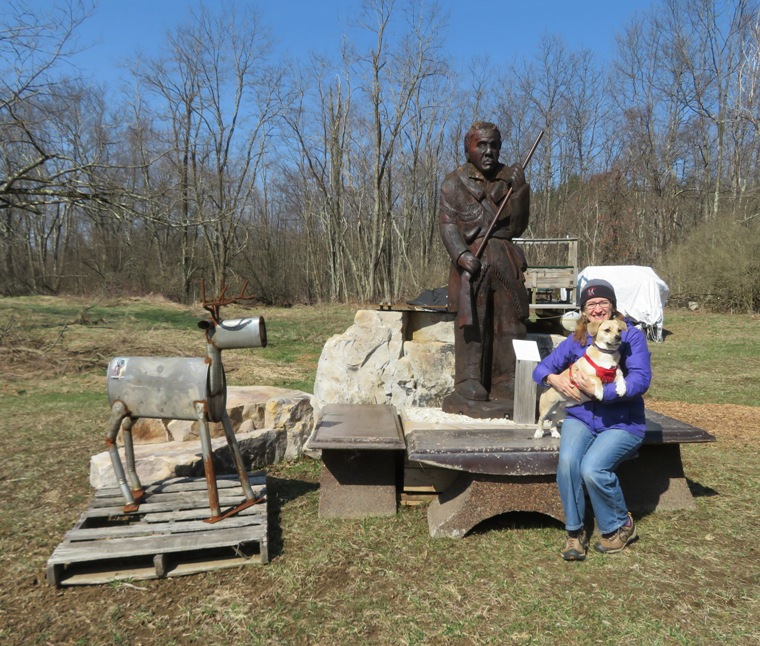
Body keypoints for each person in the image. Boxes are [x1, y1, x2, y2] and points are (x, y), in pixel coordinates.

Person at [532, 279, 652, 561]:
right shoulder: (576, 340)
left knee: (593, 468)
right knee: (569, 463)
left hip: (623, 420)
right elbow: (541, 369)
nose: (598, 309)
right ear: (584, 312)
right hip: (581, 417)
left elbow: (640, 380)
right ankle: (574, 532)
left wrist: (602, 393)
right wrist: (555, 379)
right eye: (591, 304)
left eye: (603, 303)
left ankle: (619, 525)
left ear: (612, 307)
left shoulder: (630, 336)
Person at [439, 121, 530, 416]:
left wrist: (520, 191)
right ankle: (469, 378)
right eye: (482, 145)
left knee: (510, 320)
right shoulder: (453, 182)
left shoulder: (510, 178)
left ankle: (507, 379)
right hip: (473, 260)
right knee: (472, 322)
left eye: (494, 145)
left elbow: (517, 226)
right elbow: (448, 225)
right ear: (469, 148)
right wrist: (461, 255)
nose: (489, 151)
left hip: (504, 256)